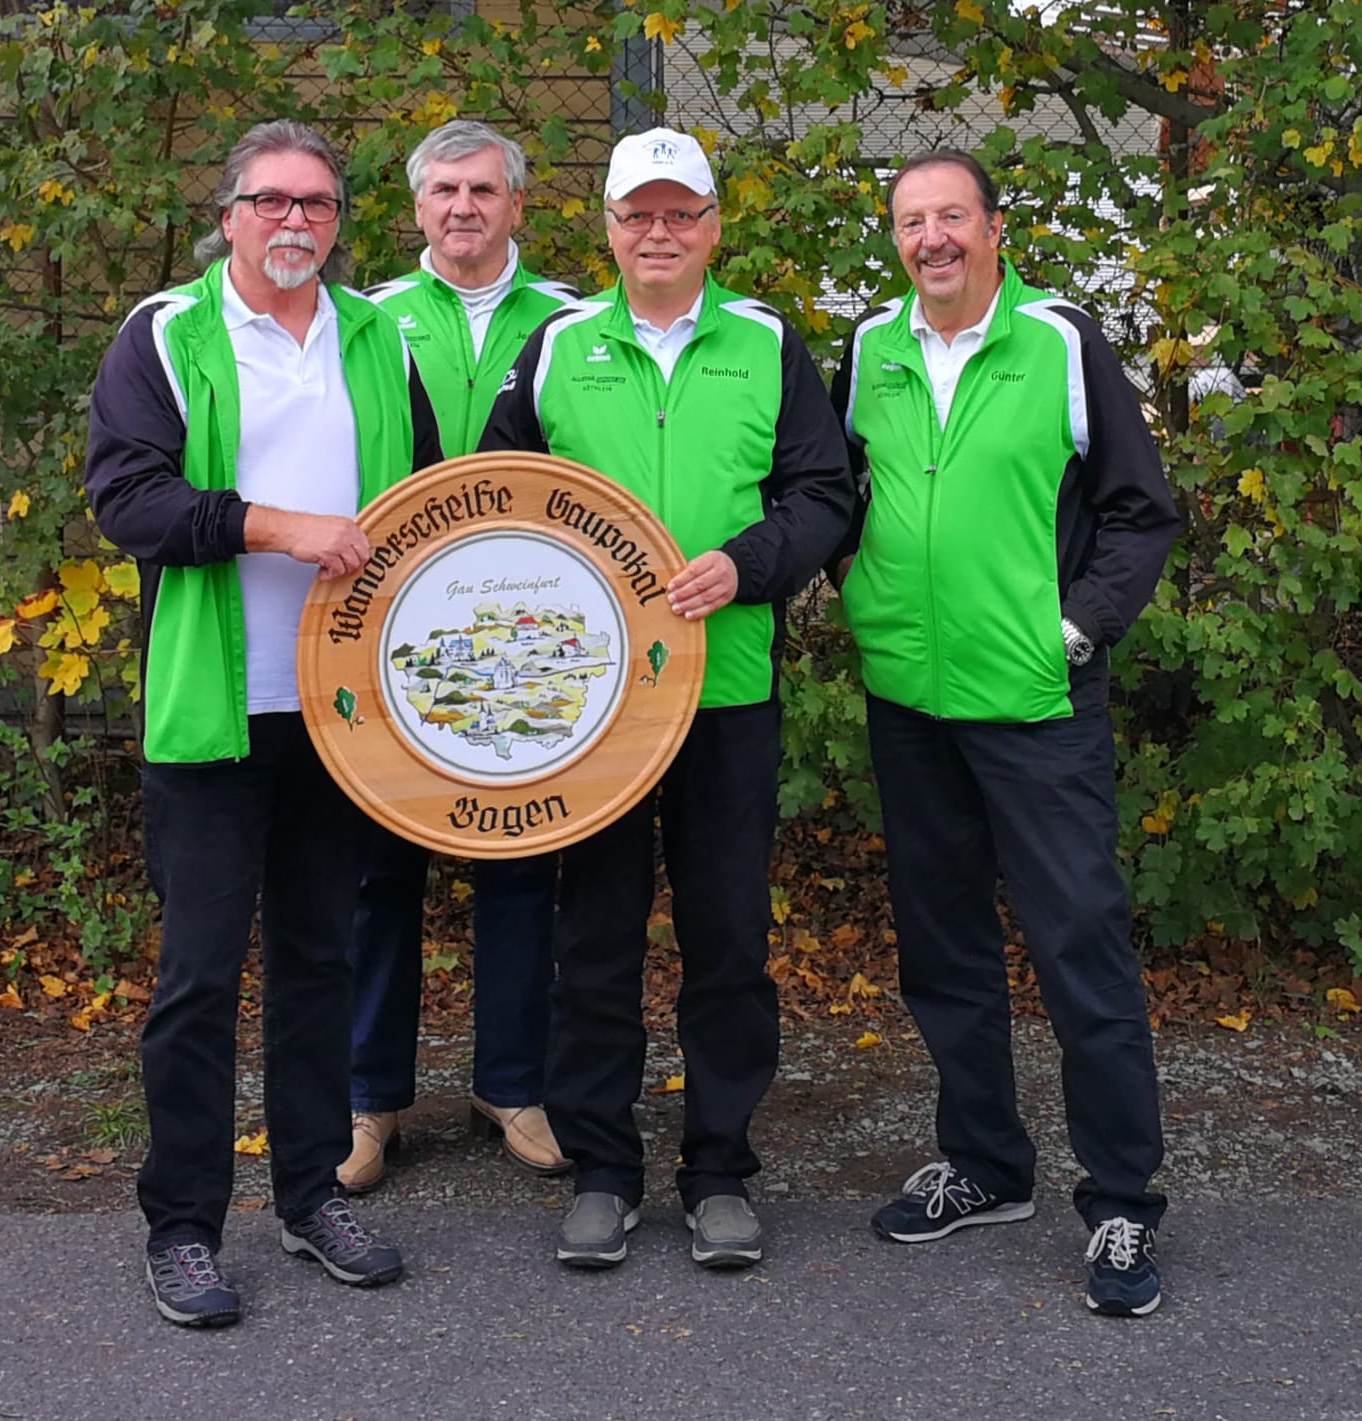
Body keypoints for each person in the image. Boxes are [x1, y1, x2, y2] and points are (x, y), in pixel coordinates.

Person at [85, 119, 442, 1327]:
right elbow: (128, 498)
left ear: (339, 222)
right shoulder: (165, 332)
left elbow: (423, 503)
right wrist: (280, 527)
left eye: (318, 203)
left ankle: (309, 1195)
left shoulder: (377, 337)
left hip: (338, 712)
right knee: (197, 977)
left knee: (319, 963)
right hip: (216, 708)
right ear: (229, 214)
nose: (296, 220)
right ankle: (183, 1225)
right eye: (273, 200)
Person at [480, 128, 854, 1270]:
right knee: (593, 938)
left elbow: (824, 494)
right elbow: (495, 500)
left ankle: (718, 1168)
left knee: (727, 937)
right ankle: (603, 1168)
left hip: (725, 691)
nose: (658, 232)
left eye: (679, 212)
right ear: (606, 227)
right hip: (589, 706)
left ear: (712, 226)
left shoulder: (767, 342)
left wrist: (747, 563)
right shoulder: (559, 344)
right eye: (637, 213)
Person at [830, 149, 1179, 1317]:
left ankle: (1123, 1198)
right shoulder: (870, 347)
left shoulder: (1059, 341)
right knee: (942, 947)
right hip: (909, 697)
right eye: (910, 220)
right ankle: (984, 1162)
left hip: (1034, 698)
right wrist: (861, 593)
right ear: (895, 238)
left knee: (1078, 943)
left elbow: (1139, 510)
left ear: (991, 227)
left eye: (951, 216)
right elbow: (835, 492)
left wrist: (1075, 629)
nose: (930, 237)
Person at [339, 121, 578, 1192]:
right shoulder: (364, 322)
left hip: (527, 637)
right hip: (389, 636)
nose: (463, 207)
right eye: (443, 189)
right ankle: (368, 1097)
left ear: (518, 204)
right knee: (375, 871)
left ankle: (513, 1085)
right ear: (416, 206)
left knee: (522, 862)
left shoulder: (573, 321)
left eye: (483, 189)